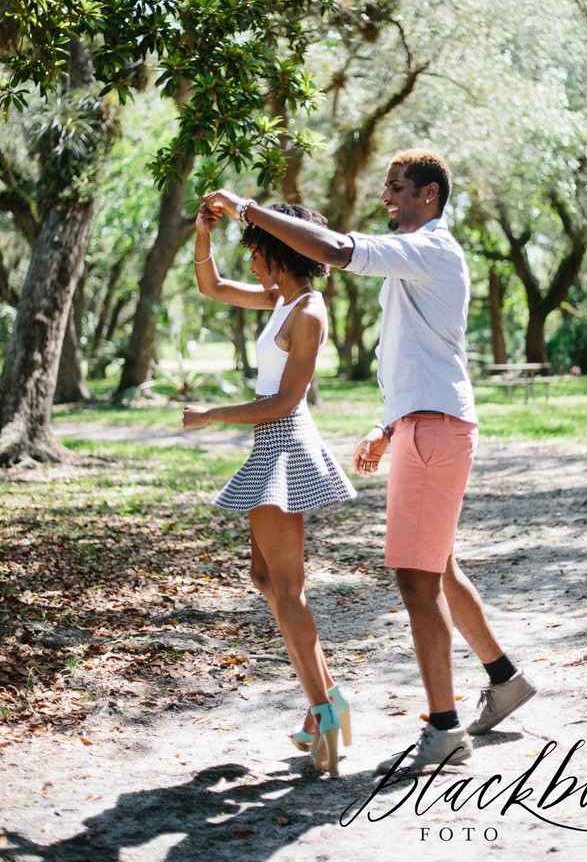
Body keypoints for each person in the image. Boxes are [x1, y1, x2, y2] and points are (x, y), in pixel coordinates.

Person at [203, 150, 537, 775]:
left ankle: (444, 729)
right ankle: (505, 677)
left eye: (397, 188)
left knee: (416, 579)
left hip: (436, 432)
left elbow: (332, 250)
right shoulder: (416, 262)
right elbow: (420, 357)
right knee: (437, 566)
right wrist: (389, 426)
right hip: (423, 425)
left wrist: (249, 209)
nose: (387, 198)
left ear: (430, 195)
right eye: (386, 187)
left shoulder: (431, 250)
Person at [182, 201, 356, 777]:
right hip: (268, 445)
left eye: (256, 253)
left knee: (286, 589)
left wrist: (212, 415)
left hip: (285, 443)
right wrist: (202, 233)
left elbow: (285, 401)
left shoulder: (307, 311)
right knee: (266, 579)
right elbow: (211, 287)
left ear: (278, 253)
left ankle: (324, 715)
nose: (252, 264)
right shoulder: (281, 299)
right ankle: (330, 700)